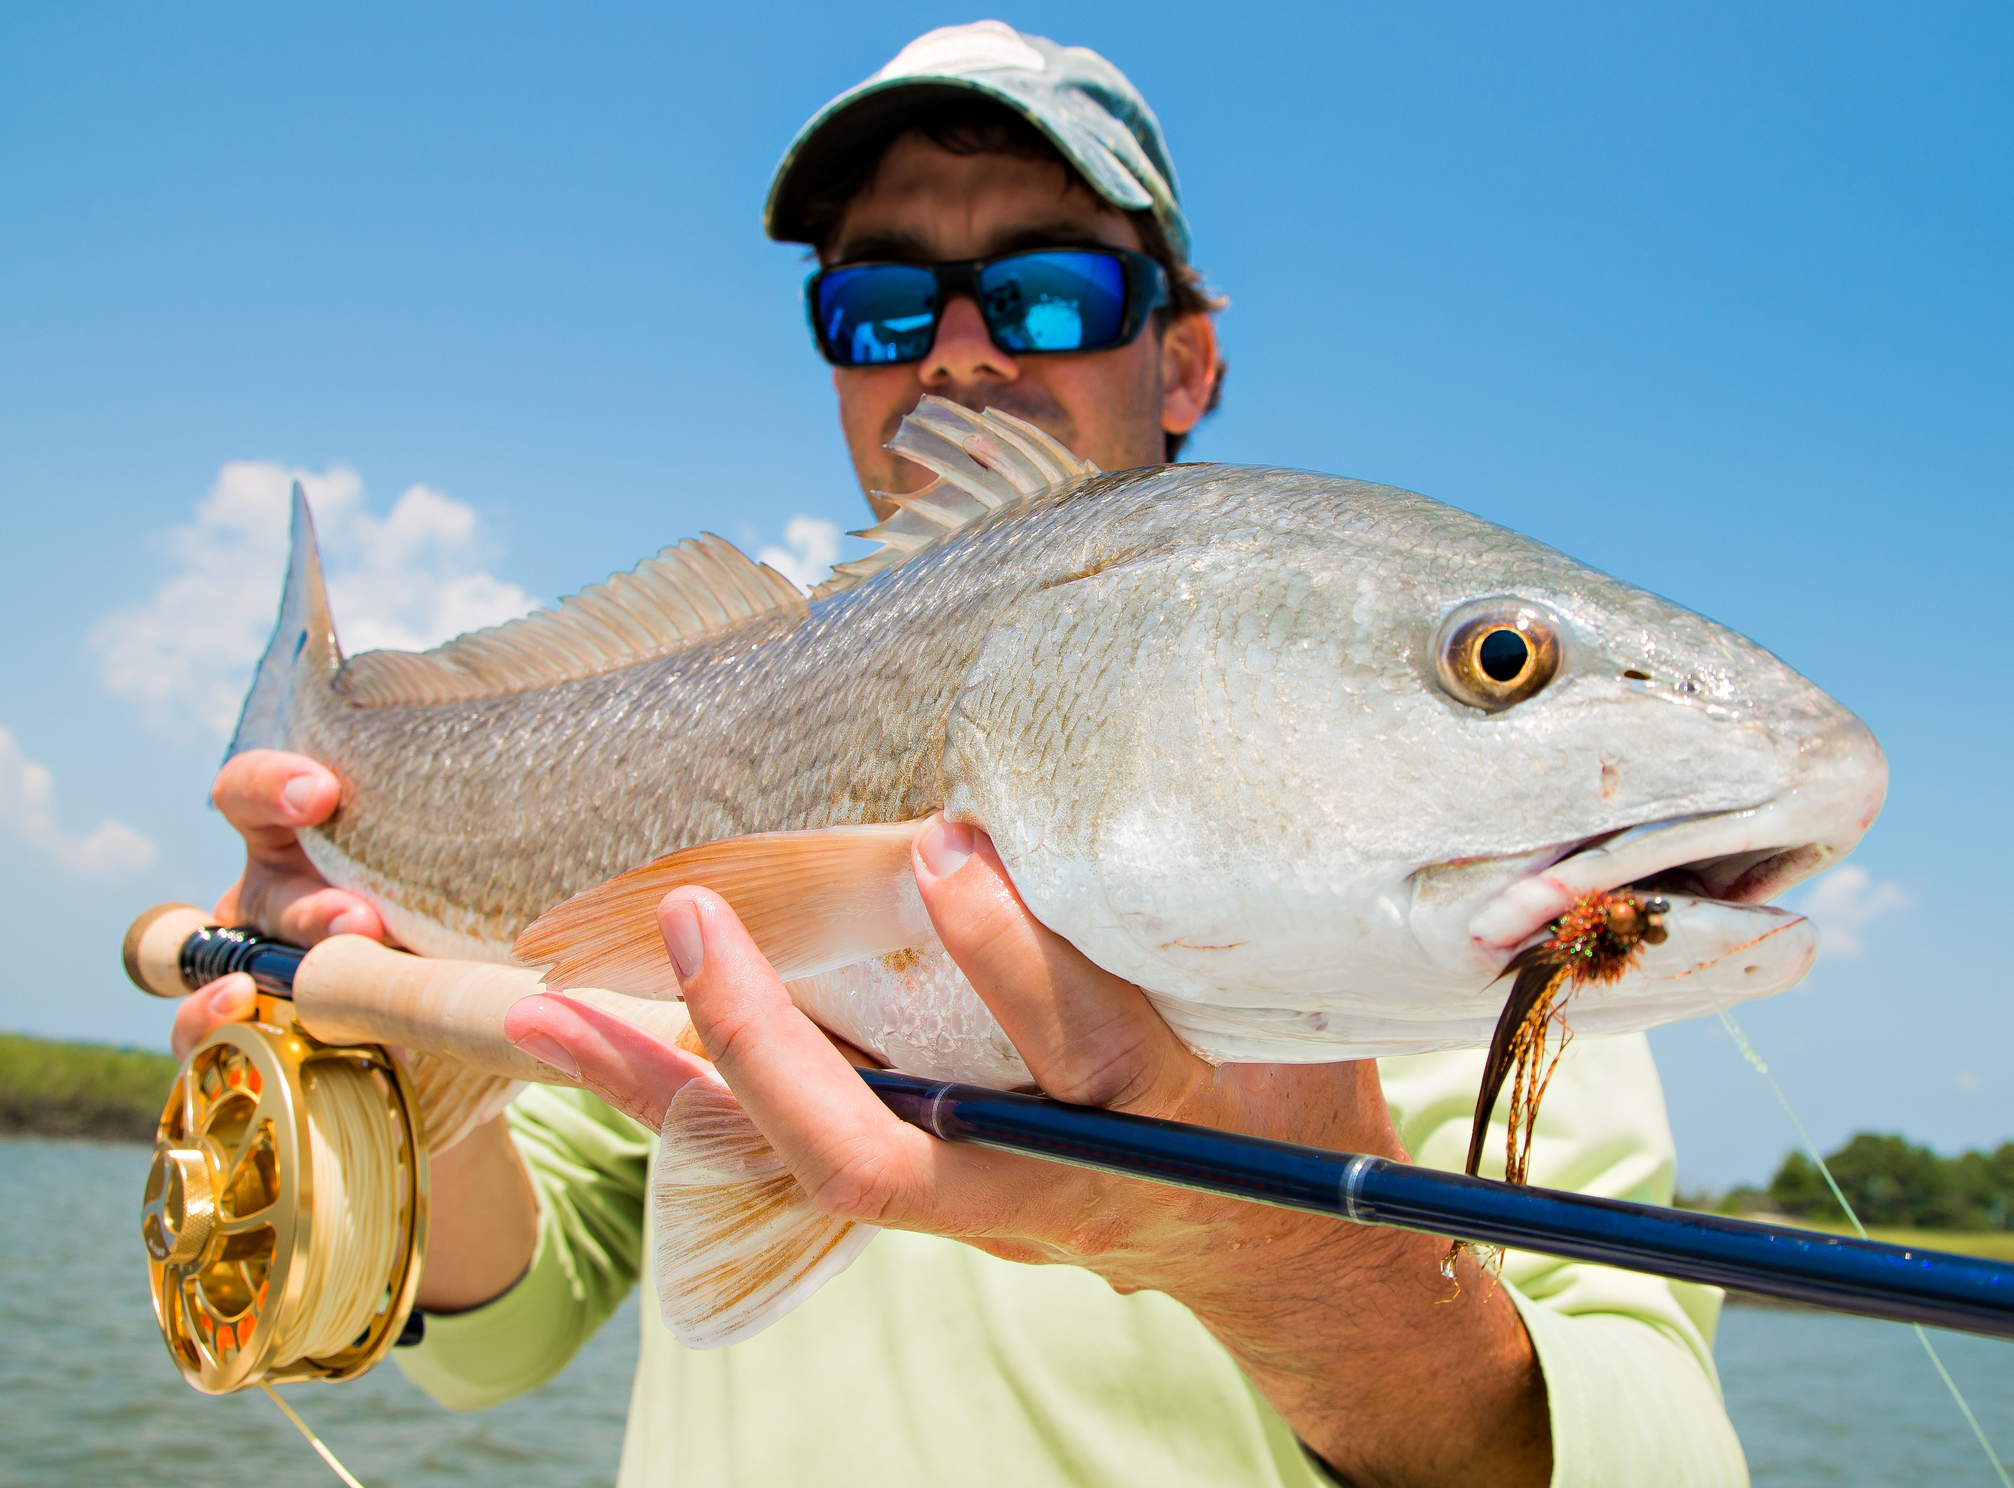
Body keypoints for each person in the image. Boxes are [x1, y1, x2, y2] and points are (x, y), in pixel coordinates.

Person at [174, 22, 1748, 1487]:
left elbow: (1660, 1447)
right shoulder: (742, 700)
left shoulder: (1472, 929)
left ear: (1184, 360)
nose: (963, 351)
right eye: (881, 307)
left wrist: (1303, 1261)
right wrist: (369, 1025)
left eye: (1051, 291)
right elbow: (502, 1328)